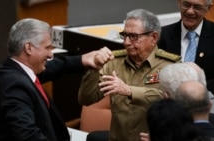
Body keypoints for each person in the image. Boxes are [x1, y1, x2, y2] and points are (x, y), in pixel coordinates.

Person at [0, 18, 113, 141]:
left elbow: (53, 67)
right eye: (47, 48)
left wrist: (83, 60)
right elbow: (28, 136)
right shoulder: (14, 87)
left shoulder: (14, 69)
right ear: (29, 48)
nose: (51, 55)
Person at [78, 9, 181, 141]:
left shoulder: (171, 65)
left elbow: (174, 100)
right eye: (124, 35)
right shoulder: (113, 62)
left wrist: (129, 90)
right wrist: (94, 67)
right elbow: (86, 99)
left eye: (133, 36)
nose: (126, 42)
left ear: (154, 37)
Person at [158, 0, 214, 122]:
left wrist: (194, 91)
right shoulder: (163, 35)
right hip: (171, 113)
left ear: (208, 8)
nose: (190, 11)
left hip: (212, 113)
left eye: (197, 7)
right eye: (186, 5)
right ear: (179, 3)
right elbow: (156, 74)